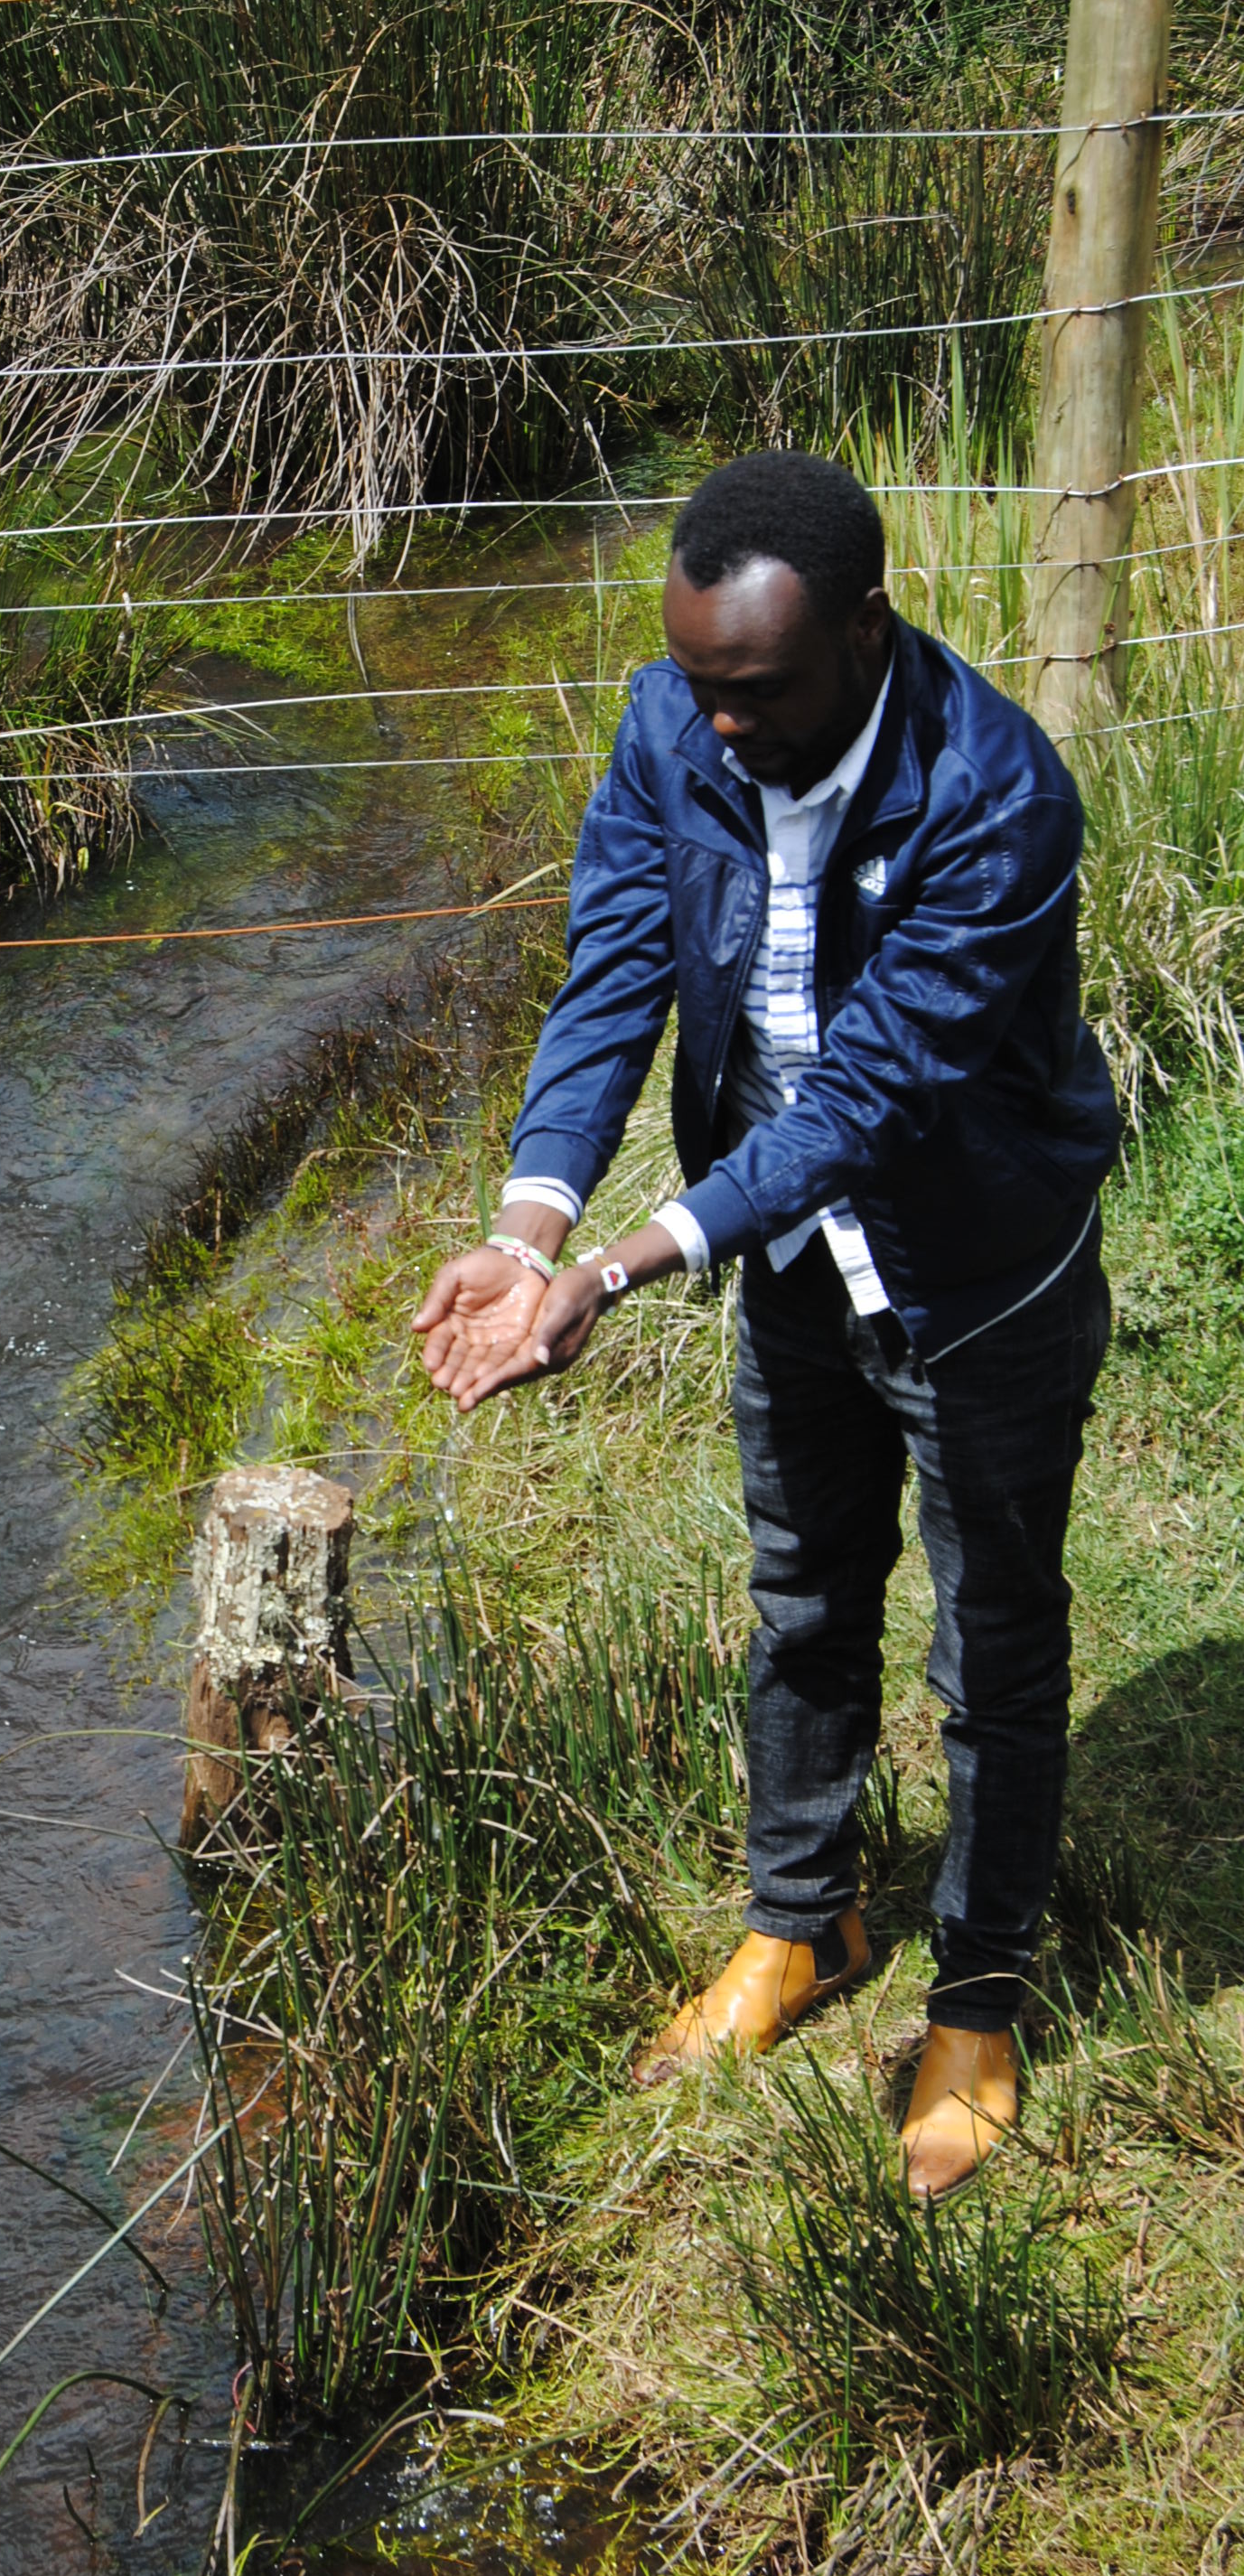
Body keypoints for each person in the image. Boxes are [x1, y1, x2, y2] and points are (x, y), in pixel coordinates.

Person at [412, 449, 1118, 2200]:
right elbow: (613, 972)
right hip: (795, 1259)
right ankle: (801, 1924)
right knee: (802, 1599)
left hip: (977, 1272)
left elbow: (869, 1097)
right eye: (700, 684)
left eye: (759, 691)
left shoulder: (996, 794)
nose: (722, 727)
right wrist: (527, 1228)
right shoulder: (678, 724)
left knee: (993, 1643)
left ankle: (979, 1998)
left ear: (866, 631)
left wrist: (622, 1268)